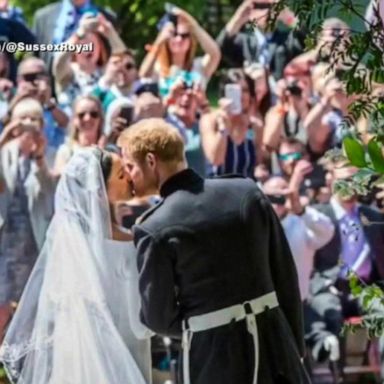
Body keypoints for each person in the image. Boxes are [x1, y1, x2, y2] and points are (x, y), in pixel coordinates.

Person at [117, 118, 310, 384]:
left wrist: (205, 323)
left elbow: (158, 317)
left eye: (130, 166)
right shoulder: (245, 192)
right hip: (274, 341)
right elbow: (285, 273)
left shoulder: (153, 226)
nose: (129, 176)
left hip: (213, 355)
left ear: (151, 161)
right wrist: (294, 345)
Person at [0, 147, 152, 383]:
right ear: (99, 190)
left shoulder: (69, 245)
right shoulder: (127, 241)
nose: (129, 178)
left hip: (79, 349)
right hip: (117, 346)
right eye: (121, 175)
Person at [0, 97, 55, 336]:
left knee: (29, 316)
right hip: (5, 245)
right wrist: (4, 138)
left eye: (34, 119)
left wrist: (40, 158)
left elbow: (49, 193)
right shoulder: (4, 152)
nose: (29, 124)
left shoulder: (49, 152)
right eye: (23, 118)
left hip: (33, 245)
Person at [139, 5, 221, 96]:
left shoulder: (199, 66)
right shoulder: (158, 67)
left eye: (184, 35)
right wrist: (160, 40)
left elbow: (215, 54)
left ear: (191, 41)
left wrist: (194, 26)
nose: (179, 39)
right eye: (174, 34)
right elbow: (144, 74)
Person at [32, 0, 116, 66]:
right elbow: (33, 57)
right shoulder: (43, 17)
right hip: (50, 84)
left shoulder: (107, 19)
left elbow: (118, 57)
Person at [53, 95, 104, 176]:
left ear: (100, 119)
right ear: (74, 120)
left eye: (93, 114)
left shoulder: (109, 150)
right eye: (81, 114)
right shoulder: (65, 151)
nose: (87, 118)